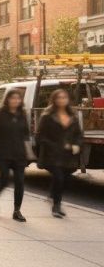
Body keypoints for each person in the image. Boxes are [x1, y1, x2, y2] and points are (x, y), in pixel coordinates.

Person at [36, 88, 82, 218]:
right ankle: (56, 206)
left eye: (64, 97)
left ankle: (52, 195)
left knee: (65, 179)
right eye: (59, 97)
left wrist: (77, 145)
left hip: (68, 155)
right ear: (54, 99)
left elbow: (78, 134)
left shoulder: (73, 115)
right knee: (59, 177)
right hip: (52, 154)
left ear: (68, 100)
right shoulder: (47, 116)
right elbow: (39, 137)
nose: (62, 100)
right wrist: (57, 145)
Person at [0, 89, 30, 222]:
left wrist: (27, 150)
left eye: (18, 98)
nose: (15, 101)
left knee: (20, 182)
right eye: (13, 98)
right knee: (4, 179)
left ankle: (17, 210)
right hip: (3, 153)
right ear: (7, 99)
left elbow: (26, 134)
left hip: (19, 154)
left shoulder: (22, 114)